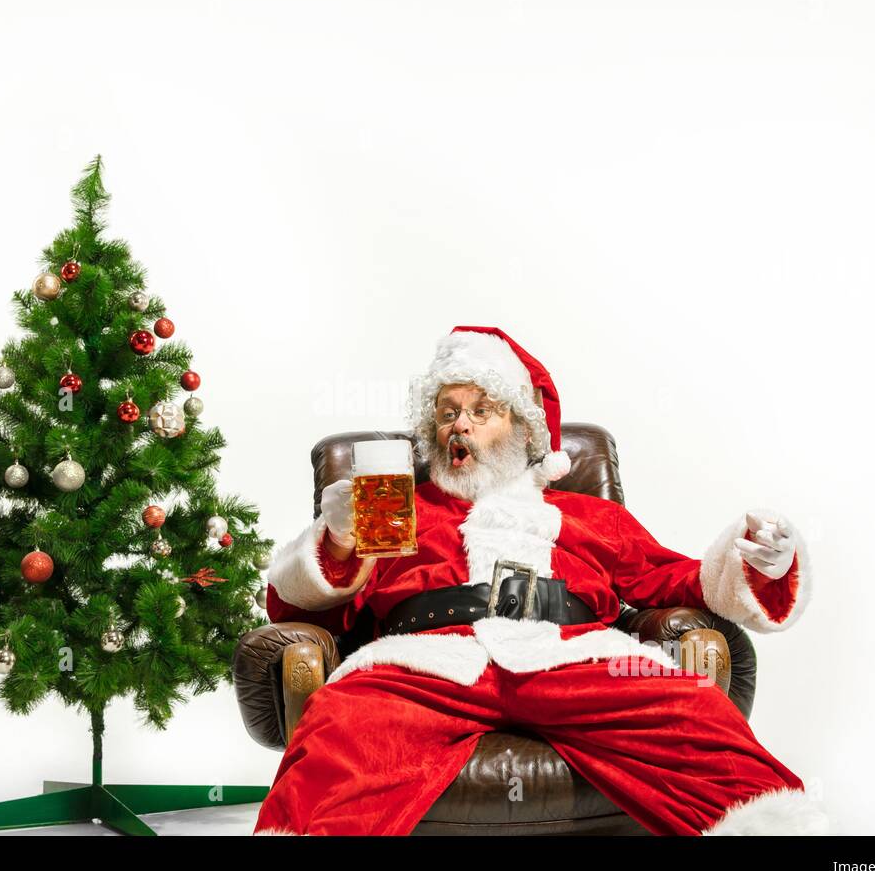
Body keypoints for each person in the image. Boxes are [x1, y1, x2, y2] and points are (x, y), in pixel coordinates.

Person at [253, 325, 828, 835]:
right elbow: (303, 613)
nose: (461, 425)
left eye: (483, 410)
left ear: (523, 427)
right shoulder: (397, 509)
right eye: (448, 411)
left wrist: (758, 565)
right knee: (340, 726)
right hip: (423, 663)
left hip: (573, 656)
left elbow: (676, 580)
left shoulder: (586, 515)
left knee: (696, 714)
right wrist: (335, 540)